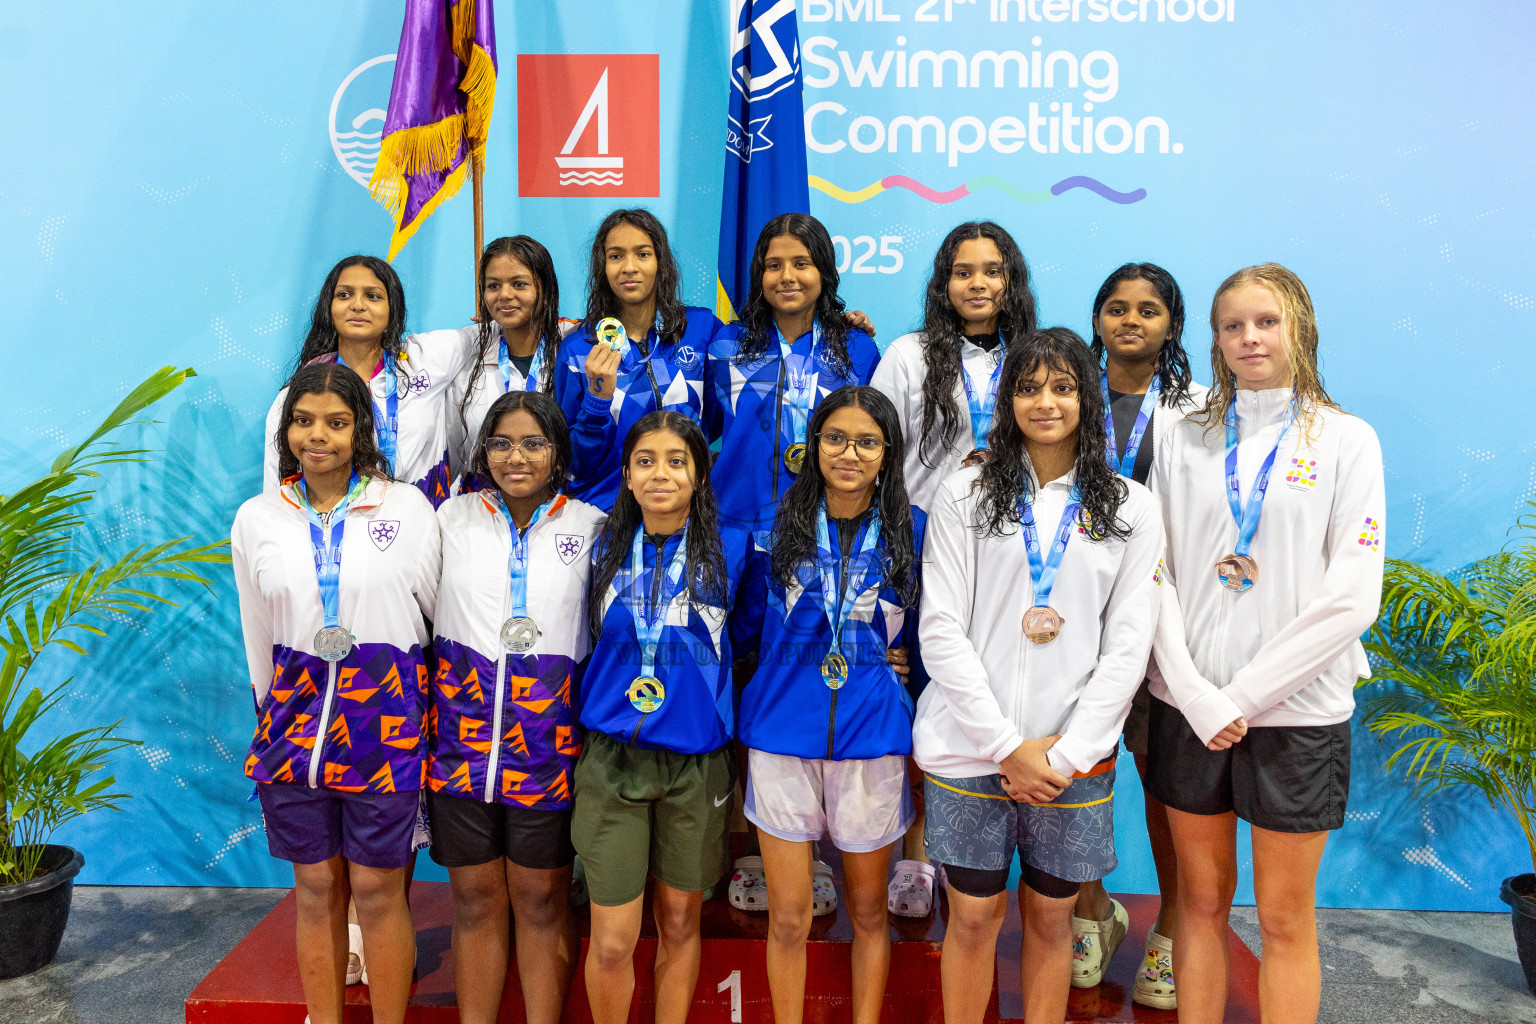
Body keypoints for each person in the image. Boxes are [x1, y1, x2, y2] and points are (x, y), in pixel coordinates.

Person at [1145, 264, 1384, 1024]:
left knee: (1283, 920)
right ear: (1213, 340)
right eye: (1232, 325)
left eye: (1266, 321)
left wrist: (1239, 698)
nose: (1250, 337)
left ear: (1300, 328)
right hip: (1187, 704)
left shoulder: (1346, 439)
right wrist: (1193, 692)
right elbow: (1155, 574)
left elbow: (1352, 595)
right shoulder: (1181, 433)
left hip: (1297, 713)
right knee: (1201, 907)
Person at [913, 328, 1164, 1024]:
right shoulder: (963, 492)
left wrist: (1064, 753)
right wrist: (1004, 745)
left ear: (1086, 395)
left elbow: (1128, 647)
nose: (1045, 402)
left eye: (1061, 386)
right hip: (969, 750)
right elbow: (940, 628)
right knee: (970, 919)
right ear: (1007, 399)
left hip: (1072, 763)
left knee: (1054, 924)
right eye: (1028, 387)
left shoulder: (1130, 506)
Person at [233, 362, 440, 1024]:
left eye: (335, 422)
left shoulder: (405, 507)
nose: (316, 435)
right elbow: (257, 630)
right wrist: (272, 714)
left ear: (361, 431)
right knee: (315, 887)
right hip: (295, 727)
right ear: (286, 429)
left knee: (378, 890)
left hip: (383, 727)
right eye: (303, 420)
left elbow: (431, 615)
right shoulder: (258, 517)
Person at [732, 386, 924, 1024]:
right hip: (782, 738)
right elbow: (747, 631)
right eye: (835, 438)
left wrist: (907, 675)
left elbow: (933, 627)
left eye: (867, 442)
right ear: (813, 446)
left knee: (868, 913)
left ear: (887, 451)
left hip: (872, 740)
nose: (849, 452)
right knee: (788, 915)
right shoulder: (773, 528)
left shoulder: (913, 529)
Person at [427, 391, 605, 1024]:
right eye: (501, 443)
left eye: (533, 443)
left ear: (557, 451)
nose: (516, 457)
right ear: (484, 451)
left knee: (541, 897)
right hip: (458, 742)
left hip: (548, 746)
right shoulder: (449, 519)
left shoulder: (591, 526)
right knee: (474, 897)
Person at [572, 412, 749, 1024]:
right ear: (625, 474)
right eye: (645, 460)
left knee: (678, 921)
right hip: (611, 761)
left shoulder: (734, 549)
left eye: (677, 460)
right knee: (614, 937)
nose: (661, 473)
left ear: (700, 474)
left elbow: (754, 640)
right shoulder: (598, 547)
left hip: (695, 764)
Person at [1069, 262, 1208, 1007]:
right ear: (1097, 319)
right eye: (1116, 307)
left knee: (1168, 787)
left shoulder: (1203, 408)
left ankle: (1173, 934)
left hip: (1166, 619)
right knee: (1083, 774)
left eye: (1148, 310)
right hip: (1075, 622)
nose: (1130, 320)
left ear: (1171, 325)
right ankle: (1090, 913)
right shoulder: (1061, 392)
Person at [707, 213, 882, 533]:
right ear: (759, 274)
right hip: (733, 528)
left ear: (824, 272)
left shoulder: (858, 347)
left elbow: (875, 441)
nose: (787, 276)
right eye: (774, 265)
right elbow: (699, 428)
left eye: (802, 263)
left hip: (825, 529)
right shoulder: (725, 345)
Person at [263, 255, 472, 508]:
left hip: (424, 527)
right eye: (344, 295)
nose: (358, 305)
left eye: (372, 296)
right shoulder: (300, 394)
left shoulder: (424, 360)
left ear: (393, 308)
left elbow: (494, 329)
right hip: (343, 536)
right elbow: (278, 487)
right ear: (328, 308)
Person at [554, 210, 723, 510]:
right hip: (603, 517)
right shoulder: (578, 350)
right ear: (602, 267)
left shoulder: (702, 329)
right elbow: (572, 463)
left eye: (643, 254)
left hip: (686, 515)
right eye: (616, 256)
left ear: (661, 262)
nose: (629, 267)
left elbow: (722, 415)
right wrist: (596, 402)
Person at [871, 221, 1038, 513]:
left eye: (992, 272)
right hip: (923, 528)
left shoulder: (1034, 360)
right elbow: (876, 450)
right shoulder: (907, 355)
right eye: (963, 273)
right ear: (944, 284)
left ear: (1012, 281)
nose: (977, 283)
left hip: (1016, 530)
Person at [446, 236, 577, 492]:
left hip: (559, 509)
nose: (504, 295)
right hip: (483, 509)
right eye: (493, 286)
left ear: (546, 293)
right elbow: (456, 455)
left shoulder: (573, 353)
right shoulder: (466, 365)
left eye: (519, 284)